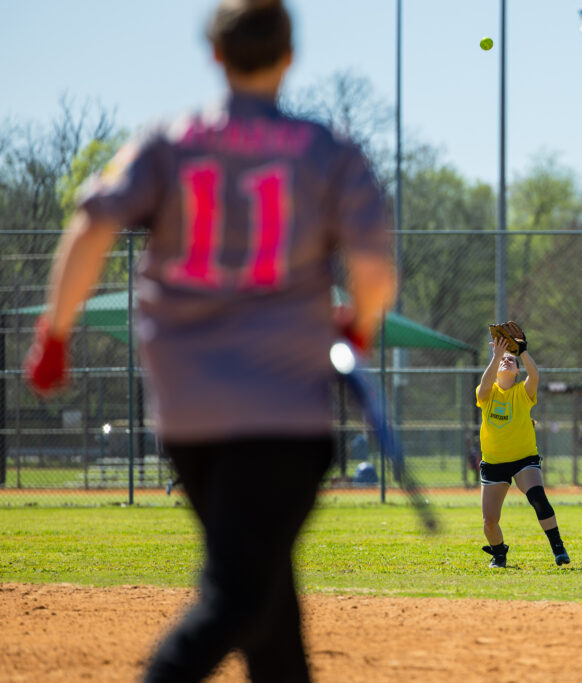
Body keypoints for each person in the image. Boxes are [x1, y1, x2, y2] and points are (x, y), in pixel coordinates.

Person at [22, 1, 397, 680]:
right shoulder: (326, 150)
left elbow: (91, 228)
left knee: (269, 601)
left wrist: (55, 334)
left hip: (188, 411)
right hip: (285, 407)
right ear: (289, 58)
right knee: (238, 595)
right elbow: (373, 269)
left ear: (216, 56)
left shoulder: (168, 141)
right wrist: (359, 325)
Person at [475, 335, 569, 568]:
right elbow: (483, 389)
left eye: (512, 360)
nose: (507, 361)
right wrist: (497, 356)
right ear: (496, 368)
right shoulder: (488, 393)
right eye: (503, 360)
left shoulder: (522, 393)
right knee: (489, 521)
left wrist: (523, 352)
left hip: (523, 459)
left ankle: (558, 548)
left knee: (537, 497)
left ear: (518, 371)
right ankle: (499, 553)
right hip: (494, 462)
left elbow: (535, 376)